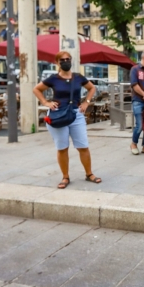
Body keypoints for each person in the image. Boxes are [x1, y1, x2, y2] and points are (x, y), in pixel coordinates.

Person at [33, 51, 102, 189]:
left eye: (68, 59)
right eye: (62, 60)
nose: (65, 62)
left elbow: (91, 87)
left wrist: (86, 102)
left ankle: (89, 174)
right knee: (62, 147)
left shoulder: (78, 77)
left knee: (83, 146)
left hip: (76, 114)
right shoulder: (53, 78)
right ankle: (65, 176)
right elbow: (36, 89)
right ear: (57, 62)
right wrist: (46, 103)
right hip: (58, 115)